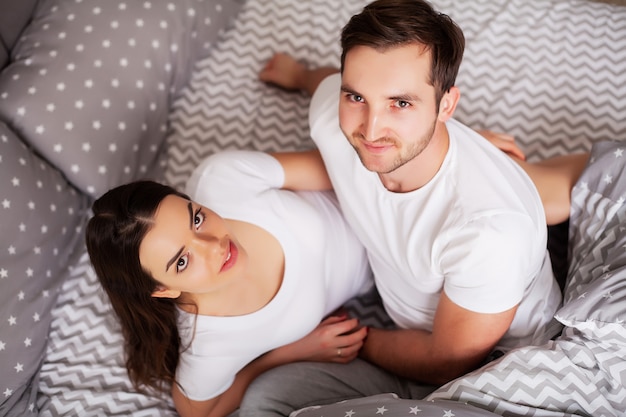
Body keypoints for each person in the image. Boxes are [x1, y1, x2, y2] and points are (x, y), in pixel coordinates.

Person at [235, 0, 571, 414]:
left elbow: (446, 360)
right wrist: (300, 75)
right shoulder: (332, 119)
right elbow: (329, 84)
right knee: (264, 397)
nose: (370, 130)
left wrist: (352, 337)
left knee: (267, 402)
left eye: (401, 103)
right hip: (411, 320)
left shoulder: (489, 235)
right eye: (356, 96)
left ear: (446, 105)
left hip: (485, 365)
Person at [85, 149, 374, 417]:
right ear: (163, 289)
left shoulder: (222, 178)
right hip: (387, 281)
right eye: (182, 261)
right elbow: (197, 412)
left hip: (379, 200)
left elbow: (339, 168)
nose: (214, 247)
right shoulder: (211, 345)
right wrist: (288, 354)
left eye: (197, 219)